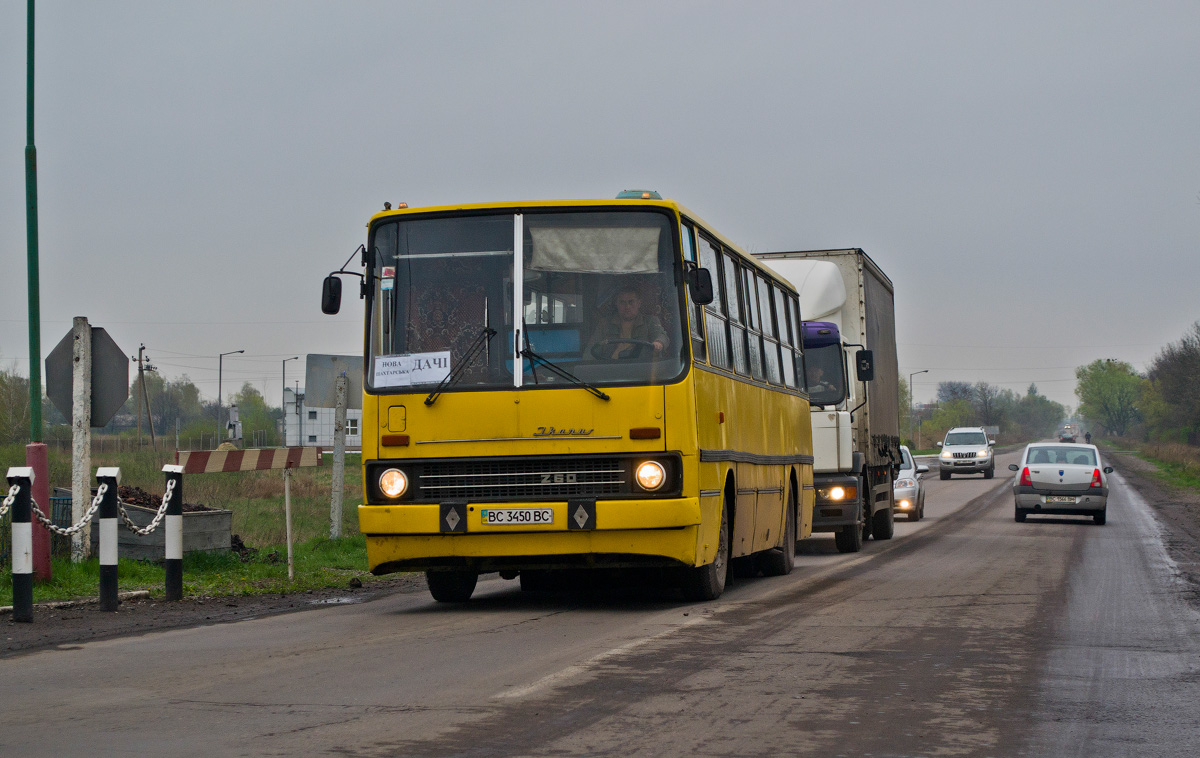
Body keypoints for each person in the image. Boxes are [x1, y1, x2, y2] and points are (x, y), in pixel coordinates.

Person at [587, 286, 669, 359]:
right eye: (622, 302)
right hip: (610, 369)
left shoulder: (650, 321)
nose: (627, 307)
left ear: (639, 303)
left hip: (642, 370)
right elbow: (591, 349)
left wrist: (658, 342)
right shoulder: (604, 324)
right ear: (616, 304)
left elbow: (662, 336)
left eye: (631, 302)